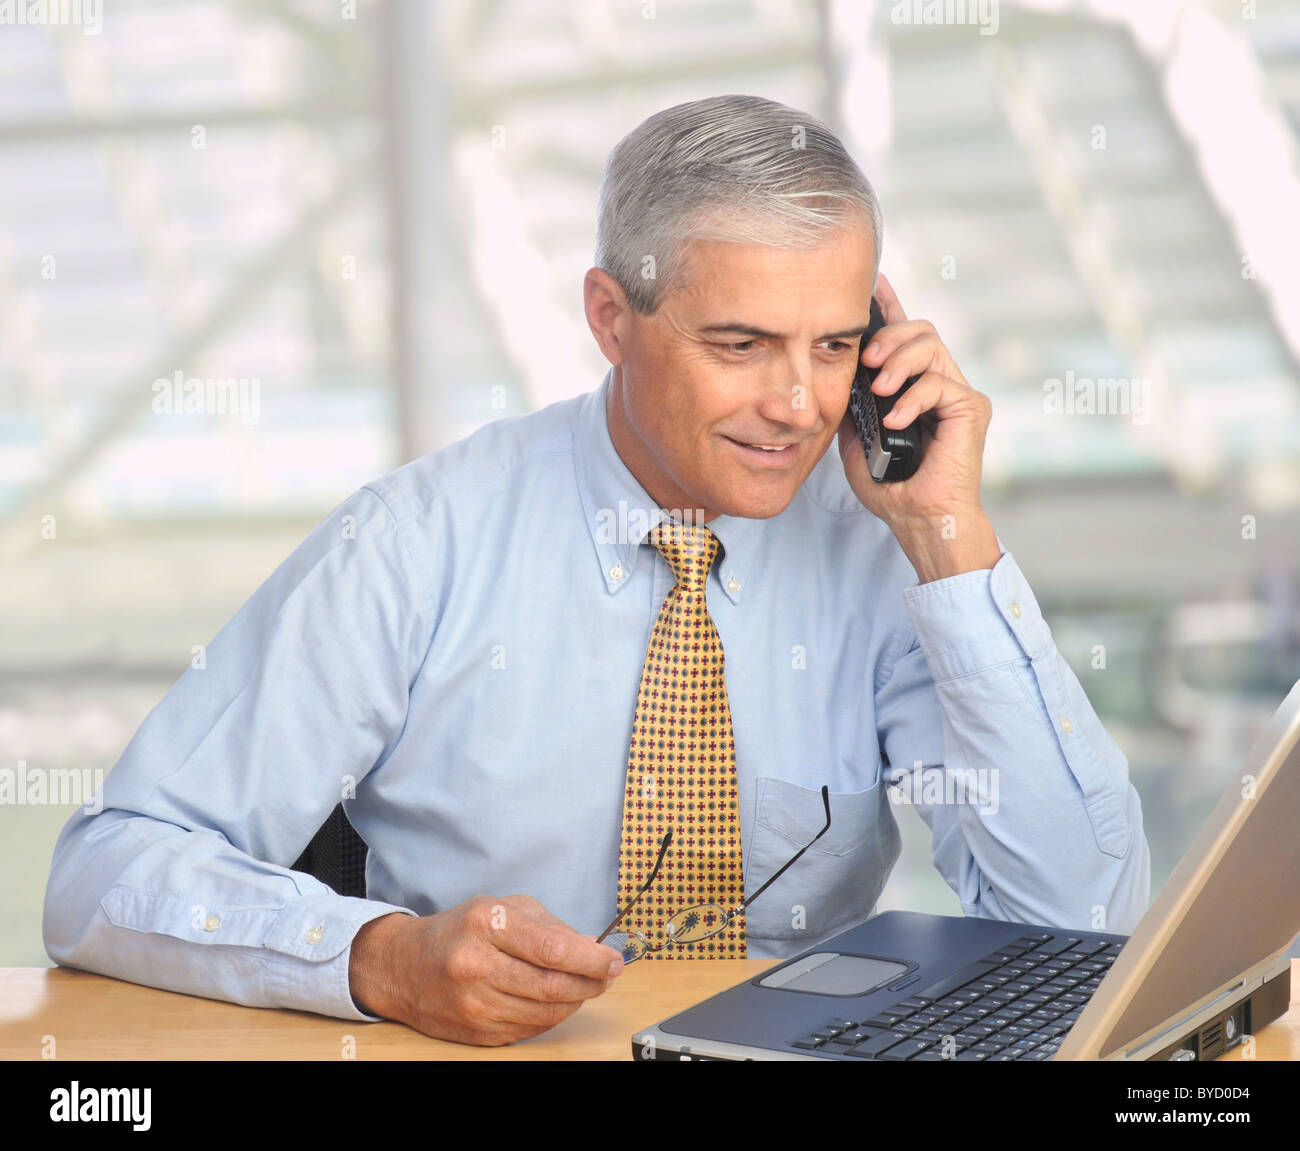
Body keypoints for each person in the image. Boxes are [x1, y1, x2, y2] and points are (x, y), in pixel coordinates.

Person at [44, 94, 1150, 1048]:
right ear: (612, 318)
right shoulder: (414, 541)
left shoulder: (886, 546)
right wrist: (376, 958)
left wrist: (945, 533)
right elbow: (107, 870)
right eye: (740, 344)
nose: (800, 405)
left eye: (832, 345)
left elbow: (1079, 923)